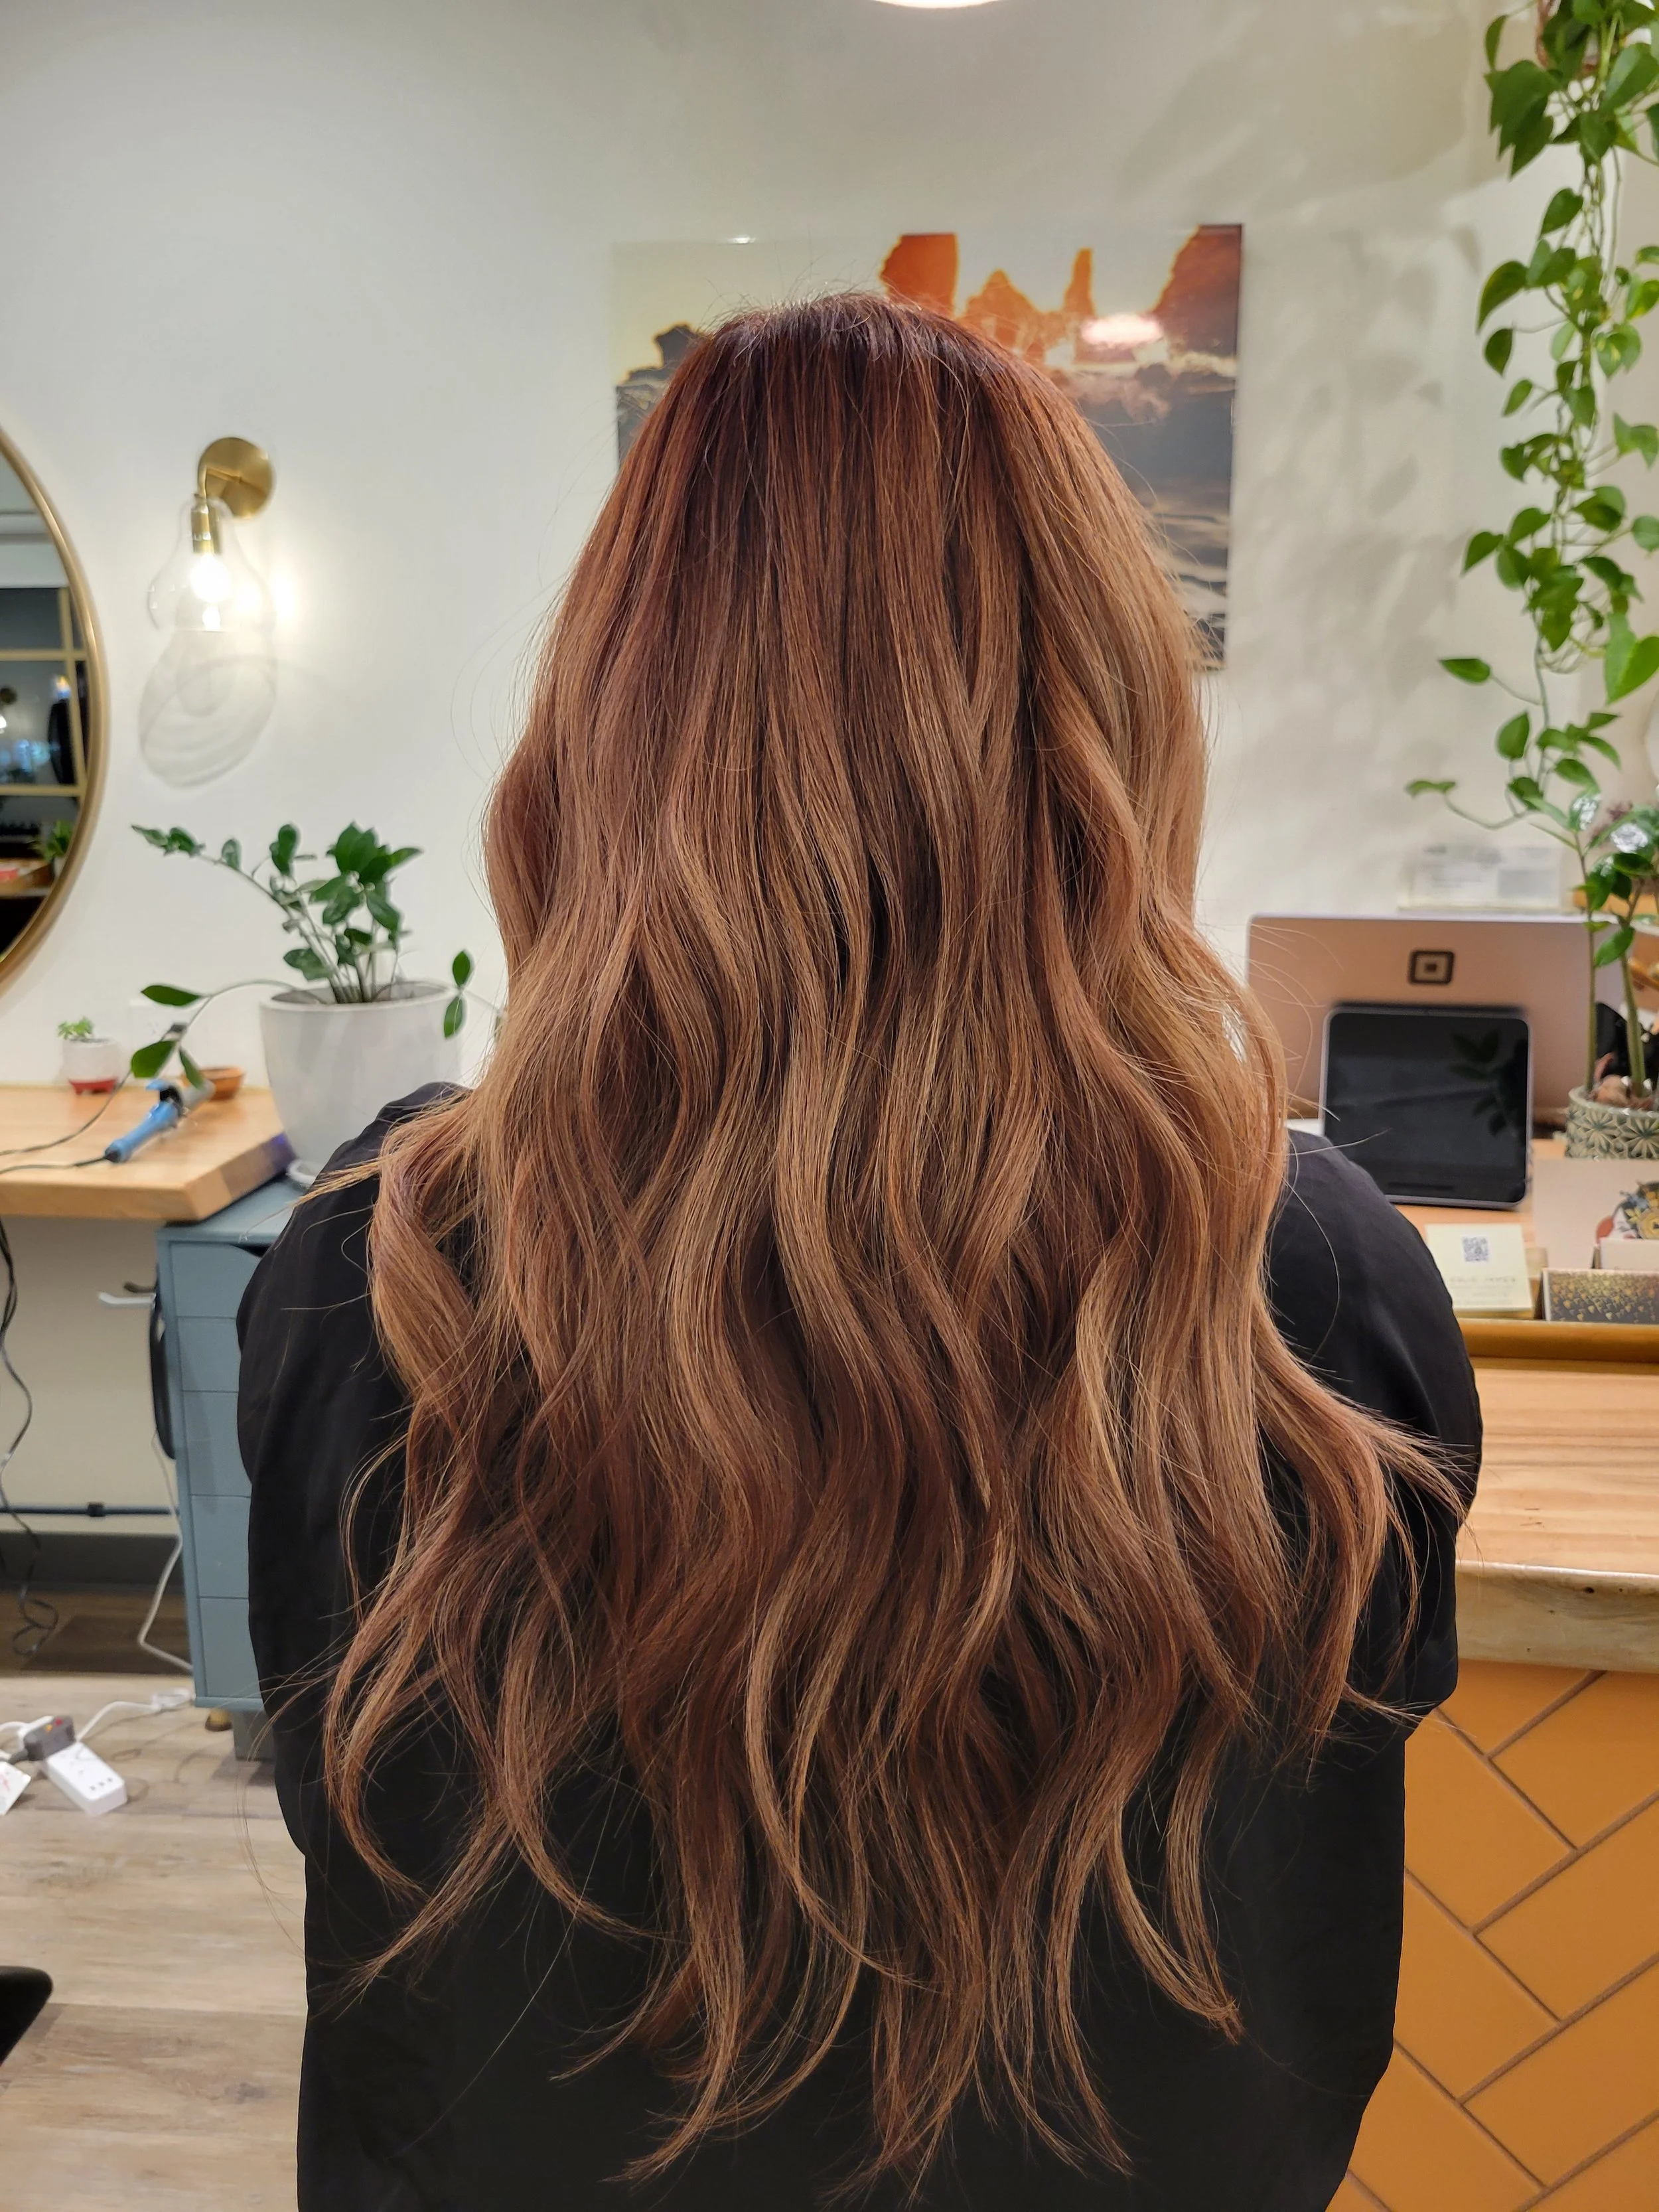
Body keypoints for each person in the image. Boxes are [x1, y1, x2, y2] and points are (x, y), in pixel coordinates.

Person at [238, 293, 1479, 2212]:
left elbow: (360, 1849)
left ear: (613, 714)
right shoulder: (1307, 1278)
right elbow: (1307, 1925)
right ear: (1103, 698)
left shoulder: (368, 1277)